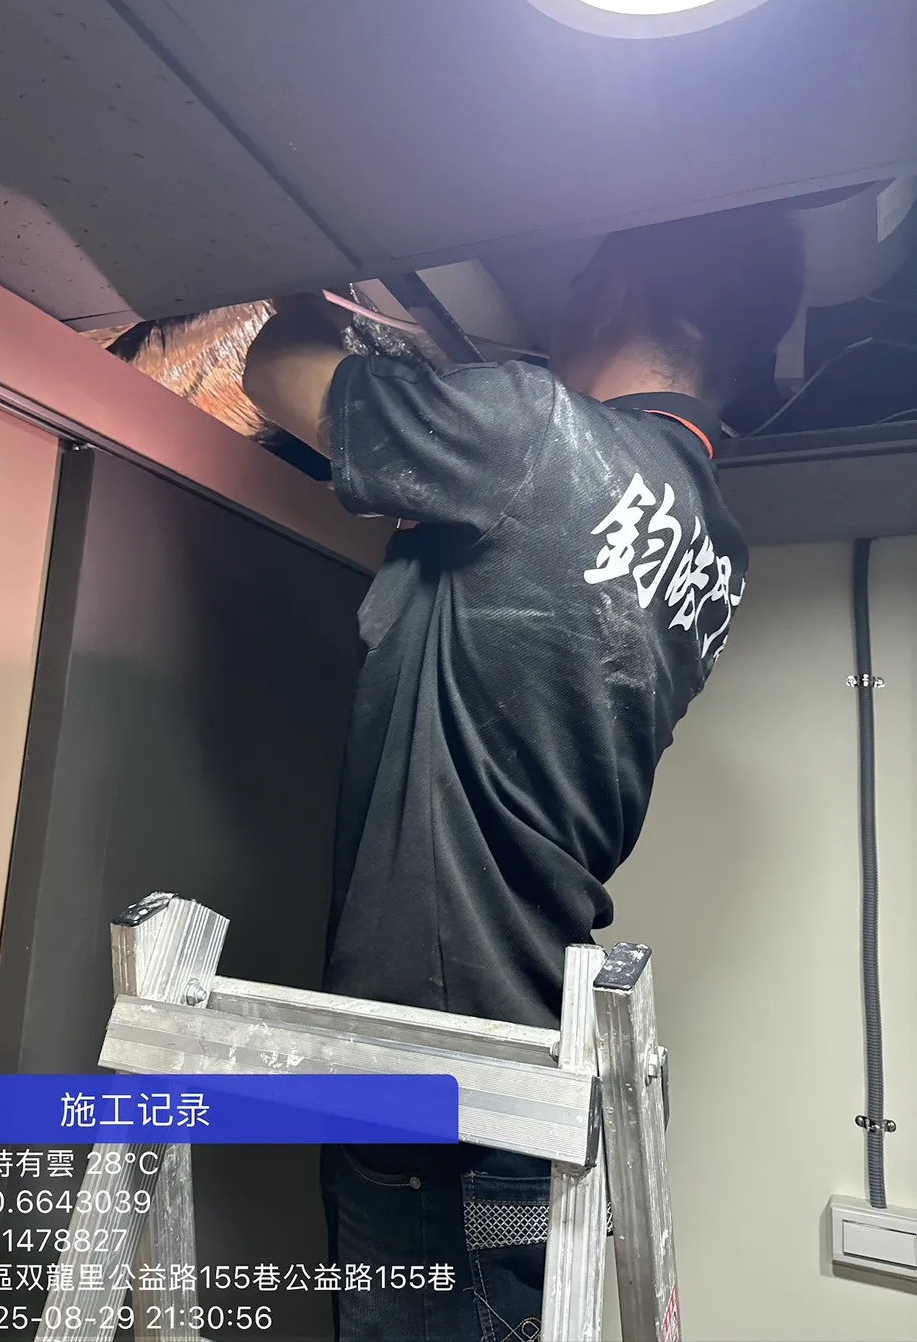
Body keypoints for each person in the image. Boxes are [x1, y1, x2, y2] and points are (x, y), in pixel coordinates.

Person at [242, 204, 805, 1342]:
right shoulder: (715, 545)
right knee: (505, 1313)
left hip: (433, 1065)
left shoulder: (538, 431)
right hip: (534, 1072)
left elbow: (276, 370)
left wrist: (312, 261)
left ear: (614, 289)